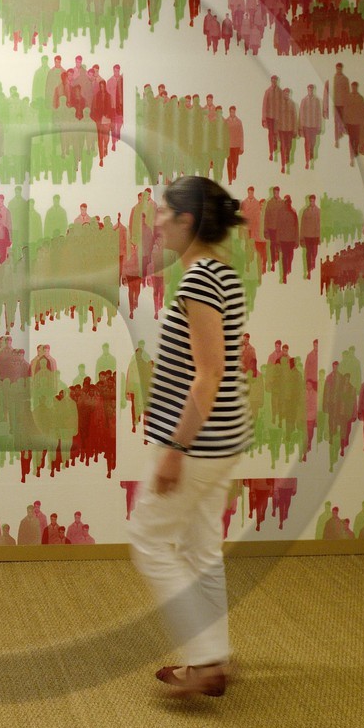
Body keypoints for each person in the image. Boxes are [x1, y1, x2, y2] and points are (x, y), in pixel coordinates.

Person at [130, 175, 249, 698]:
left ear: (186, 221)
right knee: (202, 548)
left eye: (163, 213)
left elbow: (208, 374)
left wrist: (175, 450)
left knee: (148, 540)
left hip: (198, 442)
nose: (156, 222)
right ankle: (214, 655)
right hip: (223, 439)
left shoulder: (199, 279)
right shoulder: (224, 274)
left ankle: (202, 661)